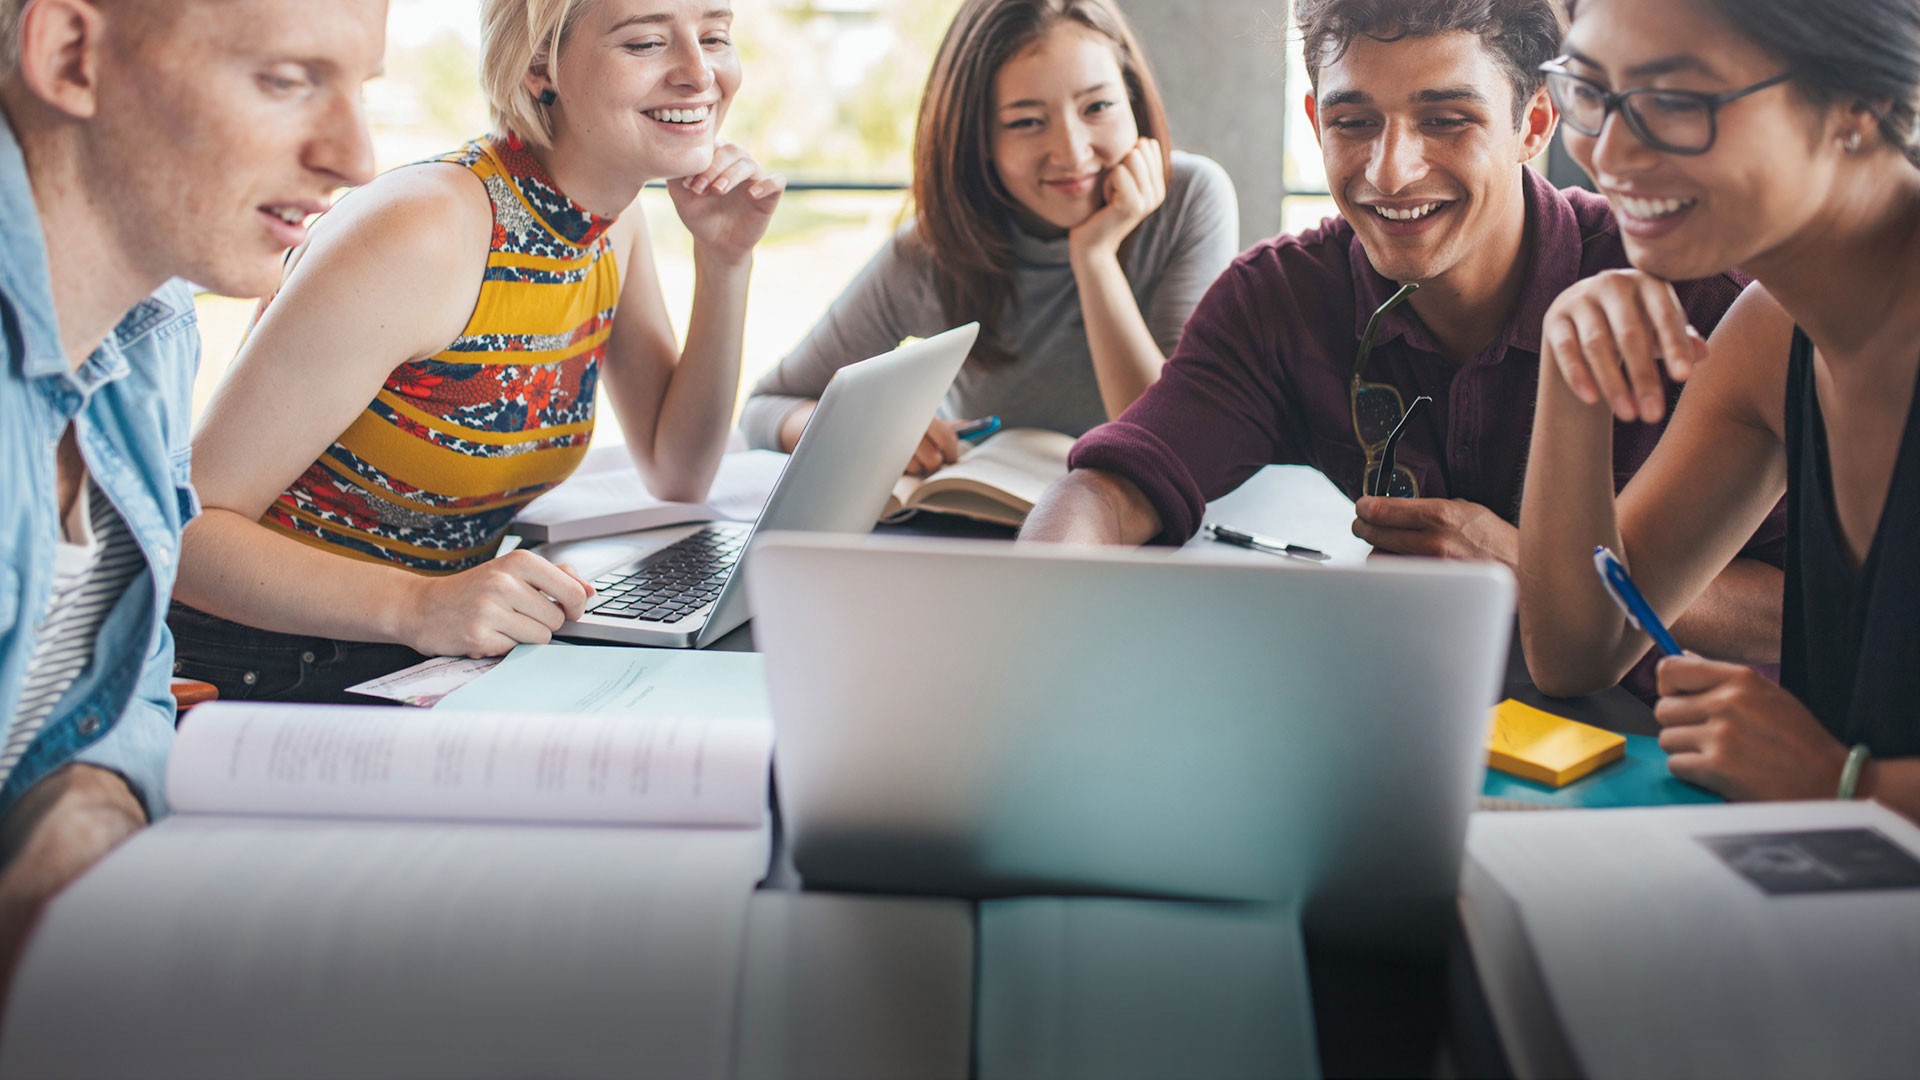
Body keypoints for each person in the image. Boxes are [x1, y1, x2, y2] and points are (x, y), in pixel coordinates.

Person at [1019, 0, 1785, 695]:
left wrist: (1527, 565)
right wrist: (1030, 623)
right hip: (1410, 716)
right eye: (1354, 123)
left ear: (1534, 124)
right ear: (1315, 121)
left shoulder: (1703, 299)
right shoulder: (1280, 298)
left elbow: (1806, 610)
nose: (1391, 171)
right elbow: (1108, 490)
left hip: (1671, 749)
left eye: (1446, 120)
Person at [170, 0, 785, 701]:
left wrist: (725, 260)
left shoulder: (613, 223)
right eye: (645, 42)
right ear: (539, 68)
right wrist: (420, 605)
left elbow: (680, 471)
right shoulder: (421, 228)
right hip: (265, 663)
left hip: (426, 655)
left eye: (714, 36)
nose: (699, 73)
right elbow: (182, 532)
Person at [0, 0, 385, 981]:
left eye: (359, 89)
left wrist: (88, 806)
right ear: (71, 55)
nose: (356, 159)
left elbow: (124, 691)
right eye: (286, 81)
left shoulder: (153, 320)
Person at [1517, 0, 1920, 819]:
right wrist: (1572, 366)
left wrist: (1849, 786)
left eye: (1674, 101)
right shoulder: (1773, 336)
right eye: (1590, 91)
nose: (1609, 154)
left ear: (1859, 104)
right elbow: (1580, 649)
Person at [739, 0, 1239, 477]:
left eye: (1098, 106)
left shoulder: (1190, 199)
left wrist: (1094, 256)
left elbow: (1171, 444)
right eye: (1027, 122)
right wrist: (864, 432)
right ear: (979, 139)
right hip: (983, 526)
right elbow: (766, 407)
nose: (1071, 151)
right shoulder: (936, 250)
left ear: (1132, 101)